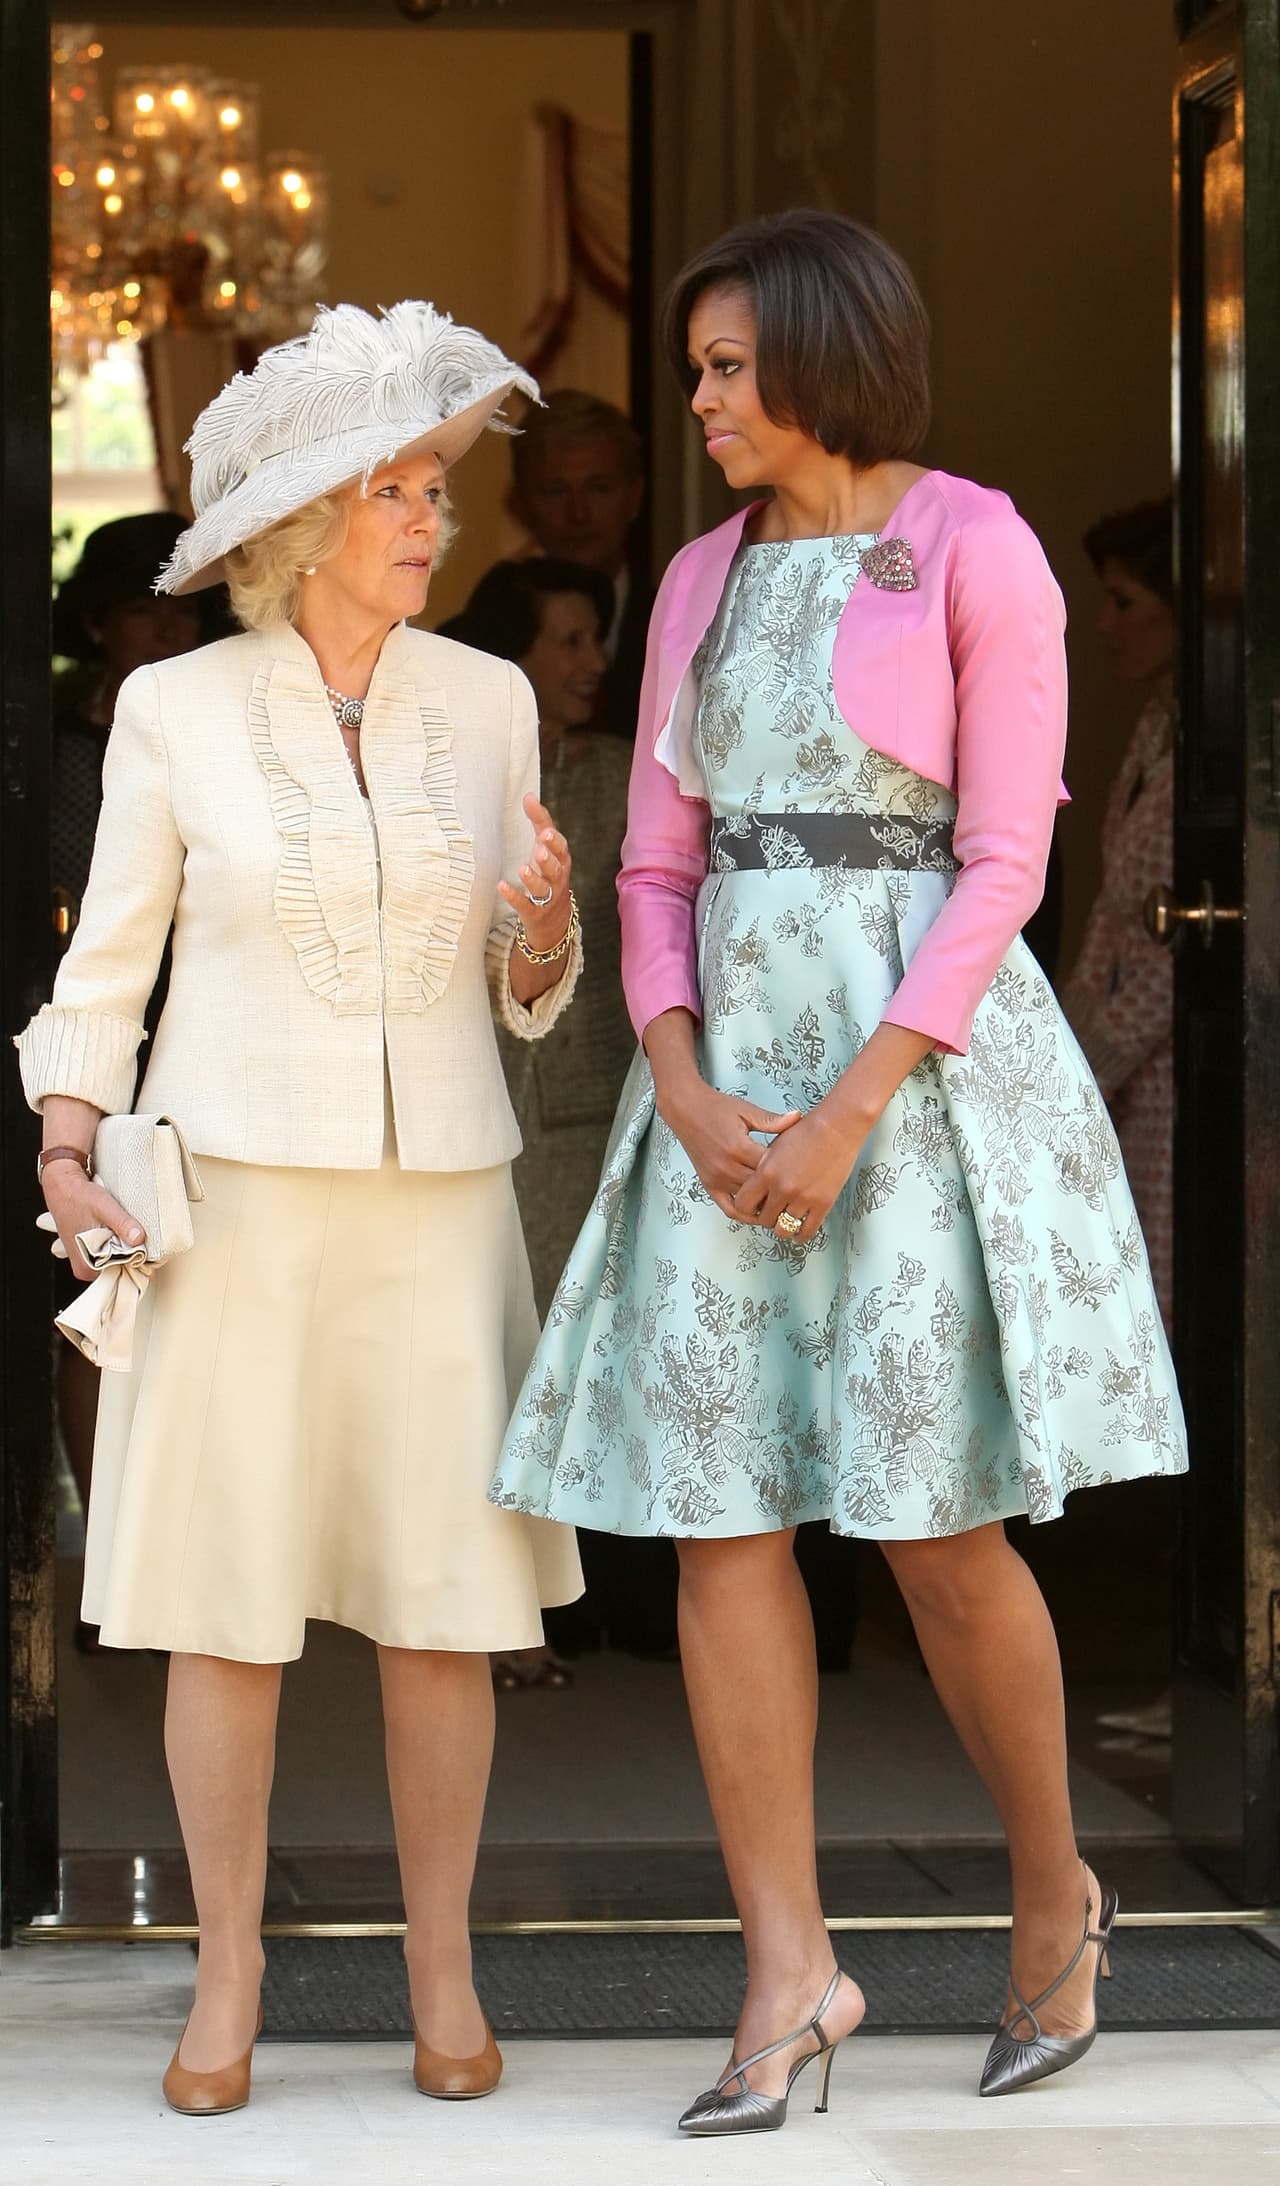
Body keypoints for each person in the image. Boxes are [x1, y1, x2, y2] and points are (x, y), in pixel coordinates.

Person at [490, 211, 1188, 2131]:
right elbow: (653, 865)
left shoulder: (975, 540)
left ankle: (1052, 1899)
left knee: (934, 1526)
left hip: (914, 1085)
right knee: (721, 1525)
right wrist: (682, 1080)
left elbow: (1005, 866)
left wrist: (851, 1106)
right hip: (718, 1093)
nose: (701, 403)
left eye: (726, 368)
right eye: (700, 371)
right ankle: (789, 1972)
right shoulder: (696, 575)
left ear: (818, 355)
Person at [18, 301, 583, 2116]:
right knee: (225, 1602)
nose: (433, 518)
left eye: (434, 487)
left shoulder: (489, 701)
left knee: (445, 1603)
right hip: (238, 1196)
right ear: (302, 522)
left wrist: (545, 933)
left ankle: (444, 1966)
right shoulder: (171, 710)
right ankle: (228, 1969)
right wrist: (64, 1146)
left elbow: (526, 991)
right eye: (396, 490)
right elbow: (110, 963)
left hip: (439, 1203)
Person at [444, 558, 680, 1676]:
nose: (593, 663)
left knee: (604, 1348)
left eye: (597, 638)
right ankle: (505, 1613)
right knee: (500, 1351)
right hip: (474, 1093)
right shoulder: (450, 763)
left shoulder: (626, 774)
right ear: (513, 654)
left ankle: (605, 1593)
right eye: (568, 641)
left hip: (603, 1097)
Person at [50, 512, 222, 1646]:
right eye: (138, 610)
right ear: (97, 622)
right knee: (95, 1291)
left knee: (197, 1294)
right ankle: (107, 1562)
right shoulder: (55, 739)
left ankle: (190, 1567)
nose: (163, 630)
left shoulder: (222, 718)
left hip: (203, 1028)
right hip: (83, 1034)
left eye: (180, 611)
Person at [1061, 499, 1175, 1338]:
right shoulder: (1155, 730)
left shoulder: (1217, 755)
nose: (1105, 625)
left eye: (1125, 601)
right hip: (1116, 1069)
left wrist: (1091, 1061)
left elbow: (1170, 945)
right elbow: (1113, 917)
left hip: (1168, 1077)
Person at [509, 389, 653, 738]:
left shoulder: (685, 626)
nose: (578, 514)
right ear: (521, 504)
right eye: (556, 492)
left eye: (599, 489)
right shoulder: (480, 641)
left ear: (634, 497)